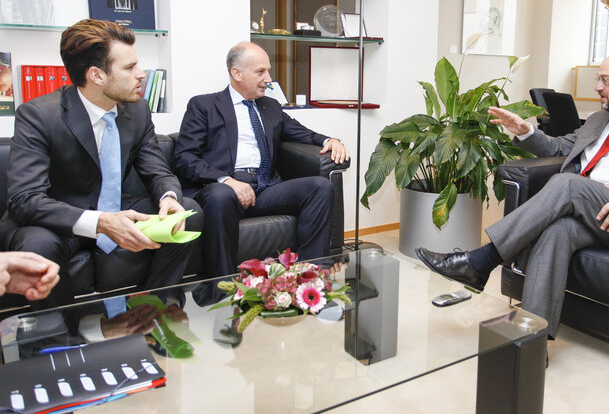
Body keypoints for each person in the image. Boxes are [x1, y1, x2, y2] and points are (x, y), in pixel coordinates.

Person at [417, 51, 609, 337]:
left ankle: (481, 260)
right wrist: (526, 132)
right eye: (598, 79)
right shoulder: (601, 119)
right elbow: (562, 149)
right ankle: (531, 338)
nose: (598, 87)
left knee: (568, 182)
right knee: (558, 231)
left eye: (606, 80)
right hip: (587, 211)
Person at [0, 19, 202, 309]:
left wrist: (169, 197)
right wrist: (102, 222)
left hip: (116, 209)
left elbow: (156, 169)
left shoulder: (137, 110)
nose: (141, 74)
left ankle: (153, 310)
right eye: (129, 68)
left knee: (190, 212)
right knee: (37, 247)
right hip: (59, 219)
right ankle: (61, 340)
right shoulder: (38, 115)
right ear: (96, 75)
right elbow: (24, 200)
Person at [174, 42, 349, 279]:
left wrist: (331, 139)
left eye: (268, 70)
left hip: (265, 187)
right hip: (224, 188)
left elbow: (300, 132)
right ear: (236, 73)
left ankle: (309, 277)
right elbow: (185, 157)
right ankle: (222, 286)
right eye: (260, 72)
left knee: (320, 187)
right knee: (220, 195)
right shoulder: (204, 105)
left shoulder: (270, 106)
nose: (268, 78)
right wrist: (227, 181)